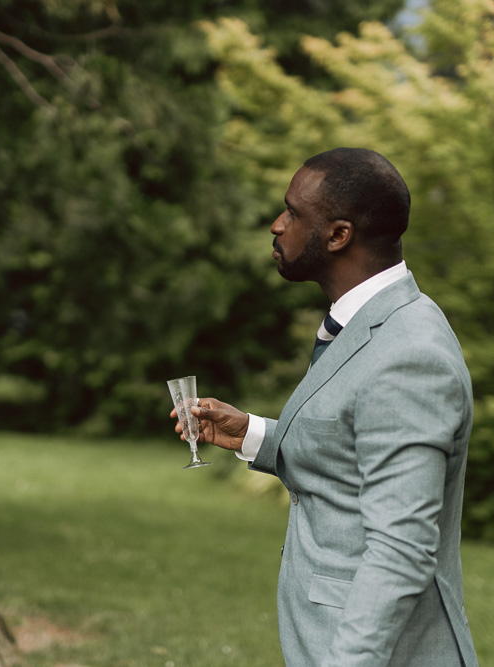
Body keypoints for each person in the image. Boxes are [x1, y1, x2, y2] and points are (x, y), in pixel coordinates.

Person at [174, 148, 478, 666]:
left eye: (292, 213)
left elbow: (401, 549)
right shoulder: (368, 323)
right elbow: (350, 445)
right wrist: (252, 434)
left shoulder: (410, 354)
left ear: (339, 235)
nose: (276, 225)